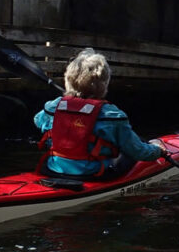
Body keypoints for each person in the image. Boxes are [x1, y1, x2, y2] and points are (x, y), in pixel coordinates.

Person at [34, 48, 166, 180]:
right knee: (129, 149)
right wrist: (158, 151)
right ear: (104, 83)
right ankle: (152, 145)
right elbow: (138, 152)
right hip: (95, 175)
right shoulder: (113, 114)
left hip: (53, 169)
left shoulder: (53, 107)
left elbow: (37, 121)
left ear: (68, 79)